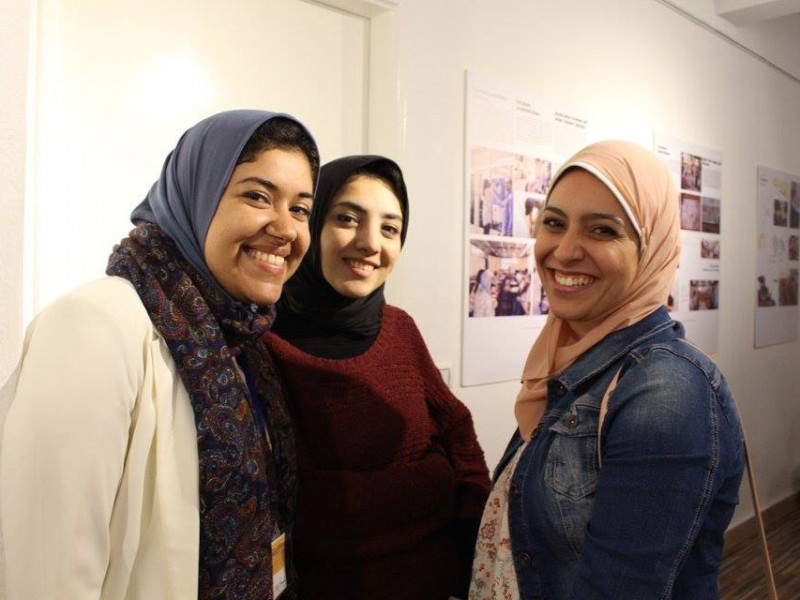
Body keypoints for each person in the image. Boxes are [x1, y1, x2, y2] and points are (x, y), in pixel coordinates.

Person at [0, 109, 320, 599]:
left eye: (300, 209)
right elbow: (47, 571)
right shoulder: (96, 324)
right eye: (258, 196)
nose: (285, 228)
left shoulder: (245, 340)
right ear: (197, 195)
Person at [469, 140, 744, 599]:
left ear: (651, 248)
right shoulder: (574, 359)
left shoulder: (665, 390)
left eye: (602, 230)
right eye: (554, 222)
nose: (565, 251)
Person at [263, 155, 491, 600]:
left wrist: (471, 529)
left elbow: (458, 433)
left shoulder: (399, 328)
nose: (370, 243)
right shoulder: (263, 343)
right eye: (347, 219)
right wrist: (432, 479)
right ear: (313, 224)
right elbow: (306, 506)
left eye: (390, 228)